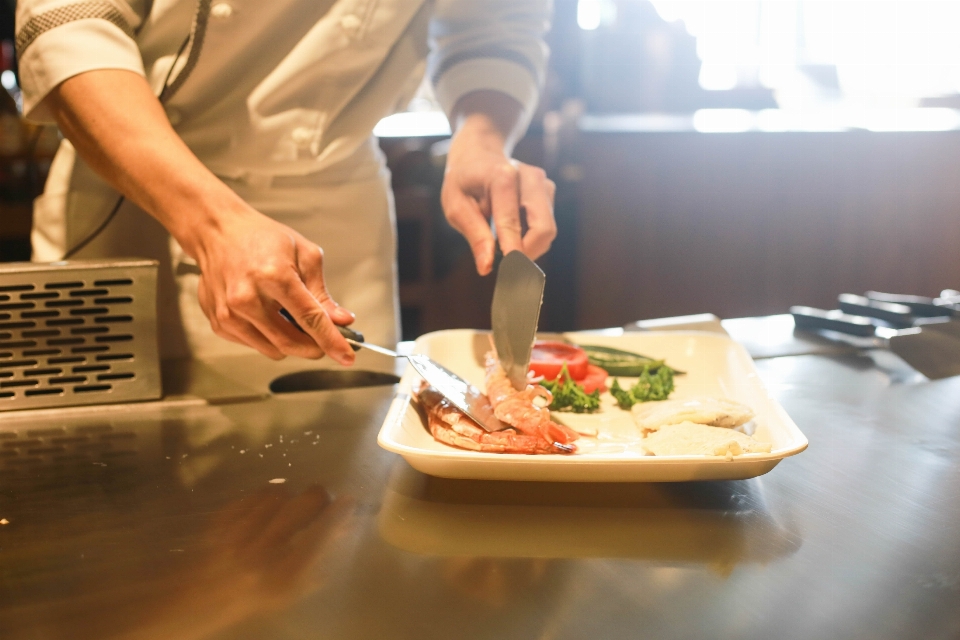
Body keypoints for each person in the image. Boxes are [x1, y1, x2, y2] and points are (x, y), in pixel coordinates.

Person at [14, 0, 557, 364]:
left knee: (347, 496)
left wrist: (482, 137)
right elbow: (71, 26)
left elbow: (494, 27)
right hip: (139, 192)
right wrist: (212, 225)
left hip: (338, 212)